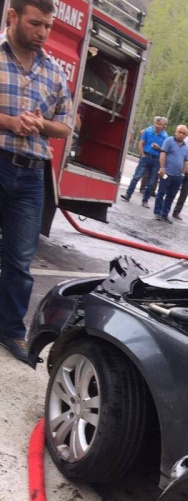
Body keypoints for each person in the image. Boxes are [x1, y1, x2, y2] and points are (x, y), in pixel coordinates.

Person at [0, 0, 73, 362]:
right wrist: (10, 122)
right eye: (35, 24)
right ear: (13, 17)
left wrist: (41, 125)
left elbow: (65, 125)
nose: (43, 33)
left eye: (48, 26)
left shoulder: (54, 71)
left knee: (20, 260)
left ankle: (11, 331)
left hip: (31, 175)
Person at [121, 115, 167, 206]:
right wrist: (142, 155)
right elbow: (141, 143)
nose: (158, 126)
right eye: (157, 123)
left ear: (163, 126)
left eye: (160, 124)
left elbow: (164, 151)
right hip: (146, 156)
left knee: (151, 182)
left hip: (156, 160)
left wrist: (159, 148)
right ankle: (128, 194)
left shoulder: (165, 136)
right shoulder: (148, 131)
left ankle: (145, 200)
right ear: (154, 123)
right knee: (136, 177)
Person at [153, 124, 188, 223]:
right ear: (176, 132)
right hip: (167, 173)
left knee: (171, 196)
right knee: (161, 193)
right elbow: (163, 153)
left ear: (186, 135)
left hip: (177, 176)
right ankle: (158, 213)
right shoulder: (169, 140)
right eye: (180, 132)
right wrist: (162, 167)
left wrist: (182, 174)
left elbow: (186, 161)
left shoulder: (186, 147)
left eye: (184, 133)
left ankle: (165, 214)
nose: (181, 134)